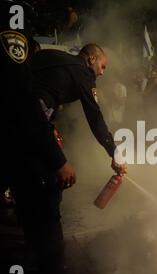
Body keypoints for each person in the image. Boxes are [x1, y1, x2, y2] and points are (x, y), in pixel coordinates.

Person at [0, 0, 77, 274]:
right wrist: (55, 158)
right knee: (44, 222)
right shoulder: (9, 12)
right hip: (2, 143)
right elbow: (17, 93)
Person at [30, 44, 127, 175]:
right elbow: (95, 117)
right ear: (92, 59)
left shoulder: (53, 56)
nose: (102, 73)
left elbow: (50, 90)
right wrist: (114, 152)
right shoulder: (84, 74)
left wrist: (50, 126)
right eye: (102, 66)